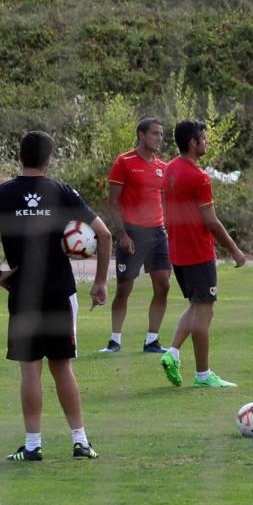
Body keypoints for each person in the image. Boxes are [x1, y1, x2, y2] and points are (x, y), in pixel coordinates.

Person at [0, 131, 111, 462]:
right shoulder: (60, 191)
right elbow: (103, 234)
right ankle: (80, 441)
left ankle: (33, 445)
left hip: (23, 294)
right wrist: (100, 282)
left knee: (30, 370)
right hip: (59, 291)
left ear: (19, 157)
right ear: (48, 159)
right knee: (63, 368)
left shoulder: (1, 194)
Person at [159, 119, 246, 388]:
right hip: (198, 252)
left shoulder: (170, 168)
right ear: (193, 143)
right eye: (203, 139)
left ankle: (172, 353)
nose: (206, 142)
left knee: (196, 307)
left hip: (177, 252)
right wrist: (235, 250)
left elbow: (164, 204)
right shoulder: (199, 177)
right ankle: (203, 375)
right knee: (205, 313)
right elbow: (211, 221)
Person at [99, 117, 171, 354]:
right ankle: (115, 341)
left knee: (163, 285)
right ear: (141, 135)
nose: (159, 138)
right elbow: (112, 201)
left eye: (161, 134)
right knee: (124, 289)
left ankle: (152, 340)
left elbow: (161, 199)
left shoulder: (163, 166)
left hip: (157, 234)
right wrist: (123, 234)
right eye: (154, 133)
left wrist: (167, 228)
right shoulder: (124, 162)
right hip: (131, 234)